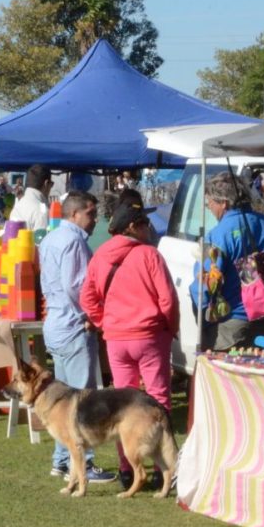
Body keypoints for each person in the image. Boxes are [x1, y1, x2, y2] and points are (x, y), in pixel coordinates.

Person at [80, 197, 179, 490]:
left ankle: (128, 471)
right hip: (150, 336)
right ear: (133, 227)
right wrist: (170, 328)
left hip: (117, 339)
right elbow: (168, 299)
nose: (150, 228)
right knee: (159, 400)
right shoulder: (149, 255)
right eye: (145, 223)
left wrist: (104, 322)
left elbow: (87, 298)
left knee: (123, 407)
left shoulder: (100, 256)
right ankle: (166, 470)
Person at [37, 190, 117, 484]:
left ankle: (62, 460)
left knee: (64, 401)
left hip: (57, 324)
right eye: (91, 213)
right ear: (74, 214)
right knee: (81, 400)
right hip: (72, 325)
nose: (95, 220)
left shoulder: (52, 238)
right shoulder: (73, 241)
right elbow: (76, 286)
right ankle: (81, 464)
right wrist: (93, 316)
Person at [191, 171, 264, 351]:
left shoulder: (216, 236)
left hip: (232, 326)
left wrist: (203, 316)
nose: (209, 208)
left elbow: (203, 287)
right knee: (261, 377)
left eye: (209, 203)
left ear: (224, 203)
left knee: (226, 378)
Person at [9, 164, 52, 232]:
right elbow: (42, 241)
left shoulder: (17, 206)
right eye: (51, 184)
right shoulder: (41, 211)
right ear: (46, 183)